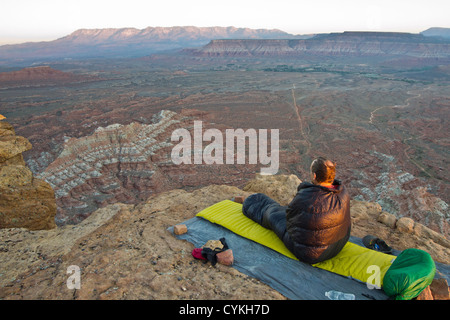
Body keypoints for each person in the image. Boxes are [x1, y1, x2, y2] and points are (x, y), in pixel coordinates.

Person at [242, 157, 351, 264]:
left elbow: (290, 218)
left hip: (310, 253)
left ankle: (249, 202)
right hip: (337, 245)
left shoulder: (307, 197)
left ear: (314, 175)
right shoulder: (342, 191)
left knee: (273, 215)